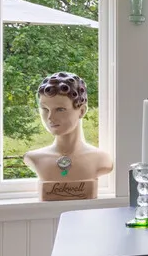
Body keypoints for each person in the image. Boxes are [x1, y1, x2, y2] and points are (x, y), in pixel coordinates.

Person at [24, 72, 113, 200]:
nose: (50, 117)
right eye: (45, 109)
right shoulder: (35, 158)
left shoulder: (102, 160)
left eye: (60, 109)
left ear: (81, 111)